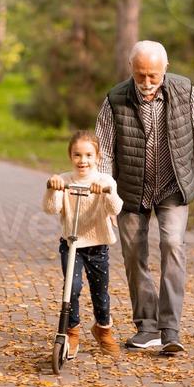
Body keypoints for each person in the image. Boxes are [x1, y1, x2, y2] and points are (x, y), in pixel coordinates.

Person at [95, 40, 194, 355]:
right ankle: (147, 327)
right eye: (141, 77)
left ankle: (170, 329)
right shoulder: (115, 99)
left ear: (166, 67)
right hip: (130, 189)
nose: (147, 84)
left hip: (172, 185)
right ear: (131, 70)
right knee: (134, 254)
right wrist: (107, 198)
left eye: (153, 76)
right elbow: (104, 152)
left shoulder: (185, 91)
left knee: (172, 244)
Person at [43, 130, 123, 358]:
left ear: (97, 157)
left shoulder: (105, 180)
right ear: (70, 156)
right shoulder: (65, 180)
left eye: (88, 155)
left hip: (98, 246)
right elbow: (51, 209)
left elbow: (116, 209)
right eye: (77, 155)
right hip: (72, 245)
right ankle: (72, 330)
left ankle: (103, 328)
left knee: (100, 292)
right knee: (73, 288)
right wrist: (52, 187)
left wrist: (105, 193)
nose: (83, 160)